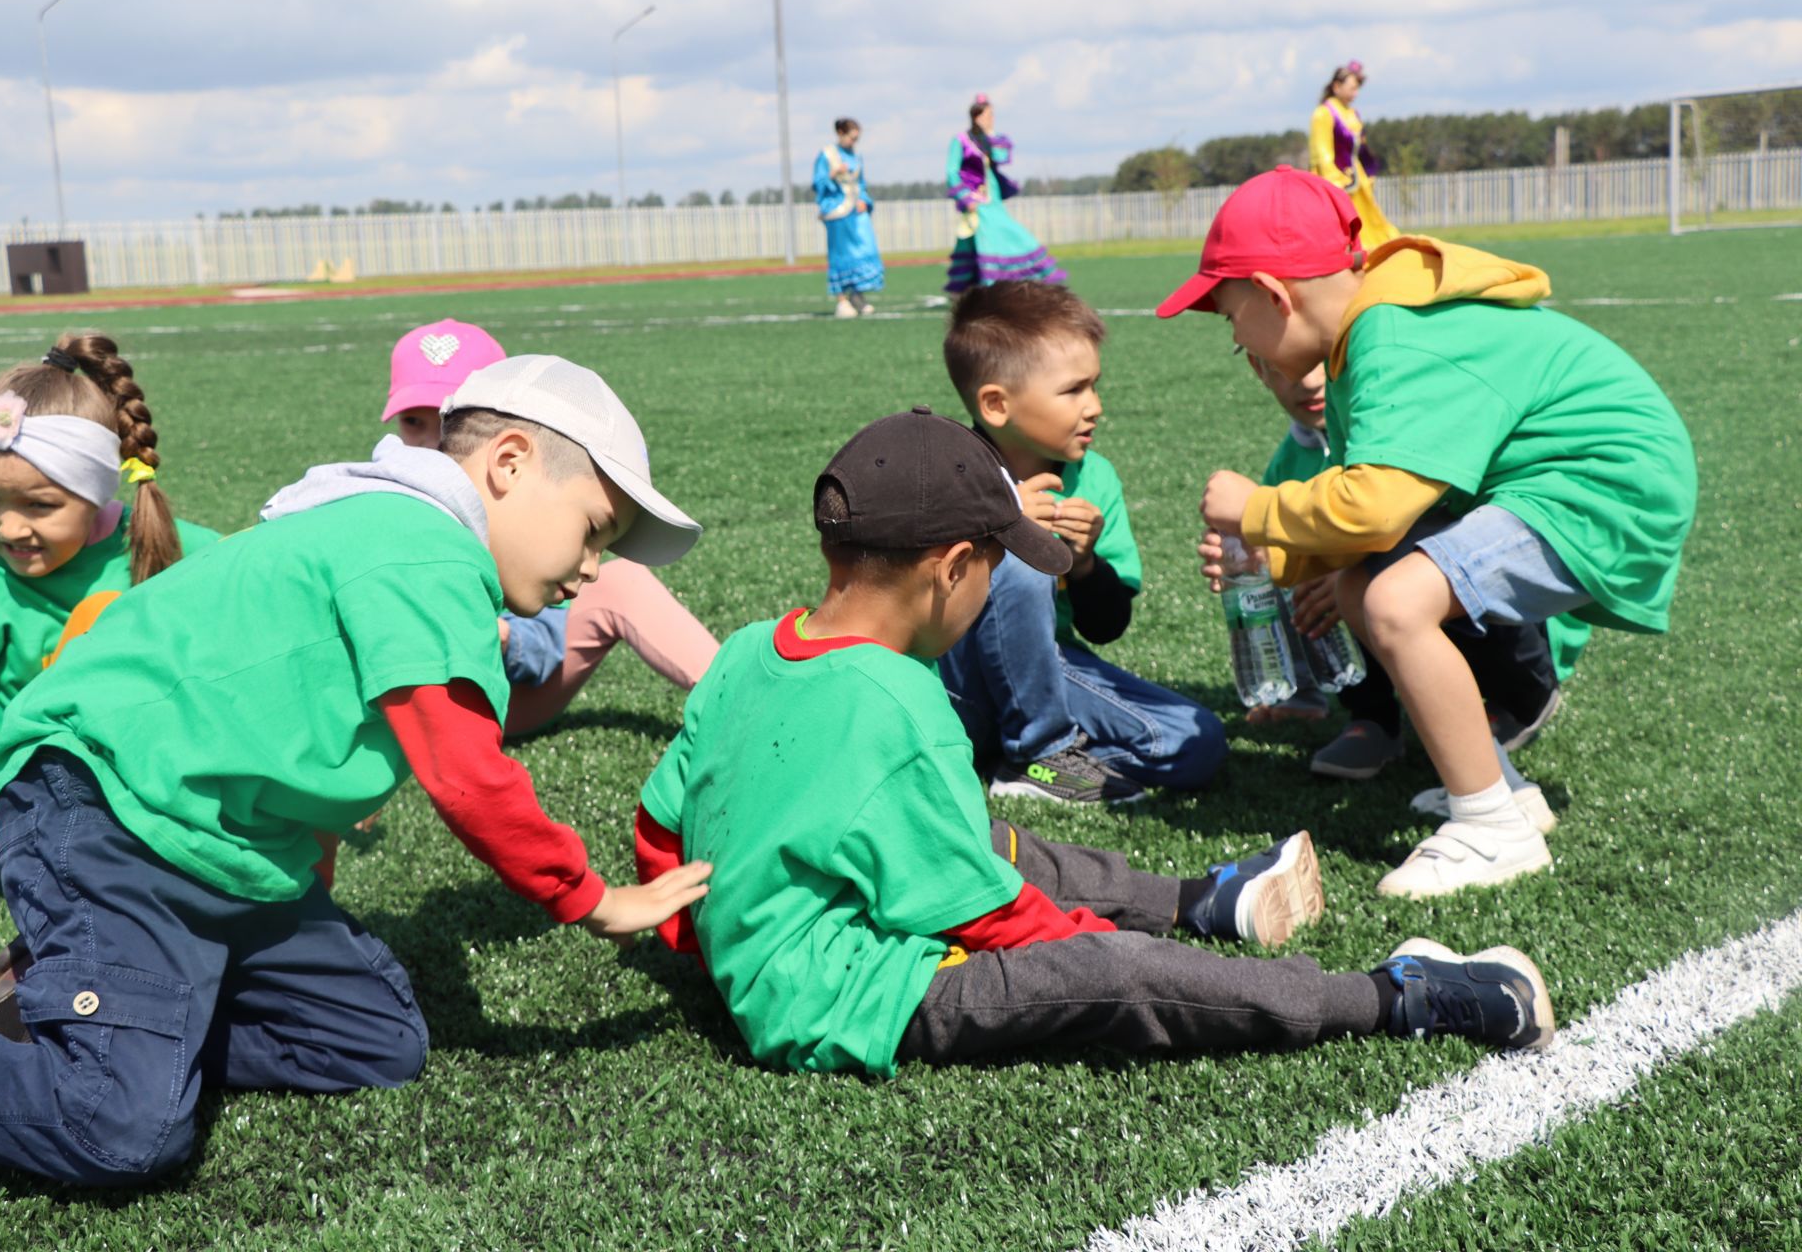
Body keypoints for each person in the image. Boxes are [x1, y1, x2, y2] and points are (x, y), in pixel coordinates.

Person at [0, 355, 713, 1184]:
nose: (594, 567)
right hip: (101, 805)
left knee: (372, 1038)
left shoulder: (395, 534)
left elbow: (297, 745)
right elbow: (470, 778)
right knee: (118, 1127)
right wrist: (594, 900)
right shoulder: (422, 549)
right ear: (509, 464)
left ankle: (80, 1005)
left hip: (218, 843)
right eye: (594, 529)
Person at [630, 406, 1553, 1079]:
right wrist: (1085, 944)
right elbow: (987, 918)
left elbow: (662, 821)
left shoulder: (749, 650)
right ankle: (1398, 997)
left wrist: (704, 942)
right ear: (953, 570)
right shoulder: (904, 704)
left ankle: (1207, 899)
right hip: (853, 999)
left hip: (764, 965)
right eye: (995, 570)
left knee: (1002, 842)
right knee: (1103, 968)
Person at [1162, 166, 1696, 898]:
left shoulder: (1391, 335)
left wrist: (1257, 510)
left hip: (1603, 485)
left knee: (1395, 602)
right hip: (1580, 479)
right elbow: (1372, 515)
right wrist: (1277, 553)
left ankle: (1490, 829)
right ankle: (1501, 791)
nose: (1234, 338)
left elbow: (1375, 508)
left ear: (1273, 294)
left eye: (1231, 318)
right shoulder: (1371, 331)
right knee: (1363, 587)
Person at [0, 333, 218, 918]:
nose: (9, 528)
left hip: (163, 798)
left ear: (95, 490)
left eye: (39, 505)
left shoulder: (169, 547)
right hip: (42, 818)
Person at [1239, 349, 1581, 798]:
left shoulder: (1405, 430)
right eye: (1288, 369)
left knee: (1388, 561)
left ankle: (1521, 698)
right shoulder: (1288, 466)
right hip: (1387, 618)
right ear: (1260, 369)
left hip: (1512, 634)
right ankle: (1372, 720)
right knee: (1292, 558)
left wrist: (1344, 562)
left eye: (1320, 365)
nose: (1309, 383)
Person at [935, 282, 1224, 803]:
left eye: (1094, 385)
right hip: (946, 684)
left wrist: (1086, 565)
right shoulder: (945, 470)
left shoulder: (1094, 478)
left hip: (1047, 670)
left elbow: (1105, 626)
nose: (1095, 406)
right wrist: (1002, 525)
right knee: (1019, 559)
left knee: (1191, 740)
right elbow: (907, 593)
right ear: (997, 405)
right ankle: (1038, 753)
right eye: (1073, 391)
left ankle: (1034, 761)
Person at [381, 319, 719, 737]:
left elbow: (542, 645)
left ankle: (743, 702)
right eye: (414, 422)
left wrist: (500, 635)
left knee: (622, 581)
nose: (436, 440)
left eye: (452, 421)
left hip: (496, 700)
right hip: (395, 711)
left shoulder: (524, 527)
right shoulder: (385, 507)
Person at [944, 94, 1065, 293]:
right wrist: (966, 198)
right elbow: (951, 171)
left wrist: (989, 135)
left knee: (1002, 240)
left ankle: (991, 286)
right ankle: (991, 288)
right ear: (977, 116)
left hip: (994, 200)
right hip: (978, 203)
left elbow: (1003, 155)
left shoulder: (988, 141)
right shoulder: (961, 141)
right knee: (992, 243)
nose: (992, 118)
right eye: (988, 115)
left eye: (992, 115)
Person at [1309, 60, 1399, 250]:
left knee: (1368, 218)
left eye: (1357, 89)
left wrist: (1369, 168)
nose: (1355, 94)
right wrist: (1333, 178)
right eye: (1351, 88)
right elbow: (1321, 150)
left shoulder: (1352, 113)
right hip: (1334, 179)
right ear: (1336, 86)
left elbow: (1361, 146)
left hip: (1356, 177)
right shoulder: (1324, 113)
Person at [814, 118, 885, 319]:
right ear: (840, 133)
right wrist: (833, 173)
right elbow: (817, 182)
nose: (854, 142)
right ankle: (842, 301)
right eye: (852, 138)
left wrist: (865, 200)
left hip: (856, 212)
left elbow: (861, 184)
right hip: (837, 211)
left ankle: (857, 295)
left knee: (866, 249)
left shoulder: (856, 156)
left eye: (857, 139)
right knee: (840, 255)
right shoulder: (827, 155)